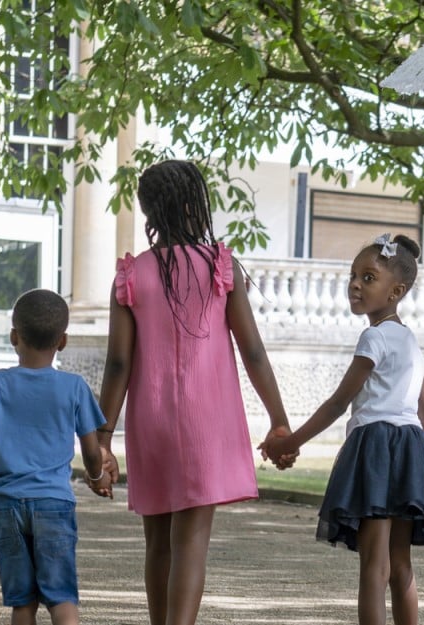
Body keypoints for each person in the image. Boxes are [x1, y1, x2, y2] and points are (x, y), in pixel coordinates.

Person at [97, 160, 295, 625]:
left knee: (157, 543)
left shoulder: (131, 275)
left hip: (151, 420)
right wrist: (278, 419)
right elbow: (253, 352)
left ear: (148, 211)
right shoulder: (219, 268)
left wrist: (102, 439)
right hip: (208, 422)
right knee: (190, 542)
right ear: (194, 205)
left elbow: (118, 364)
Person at [263, 233, 424, 625]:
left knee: (375, 565)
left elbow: (339, 403)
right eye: (354, 275)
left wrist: (289, 442)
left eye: (369, 277)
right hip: (411, 453)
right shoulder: (409, 340)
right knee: (400, 564)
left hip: (376, 451)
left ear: (396, 291)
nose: (355, 284)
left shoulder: (373, 337)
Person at [0, 289, 111, 625]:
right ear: (63, 341)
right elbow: (91, 450)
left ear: (14, 336)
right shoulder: (75, 387)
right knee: (61, 598)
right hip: (54, 503)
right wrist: (97, 478)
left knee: (22, 602)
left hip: (7, 504)